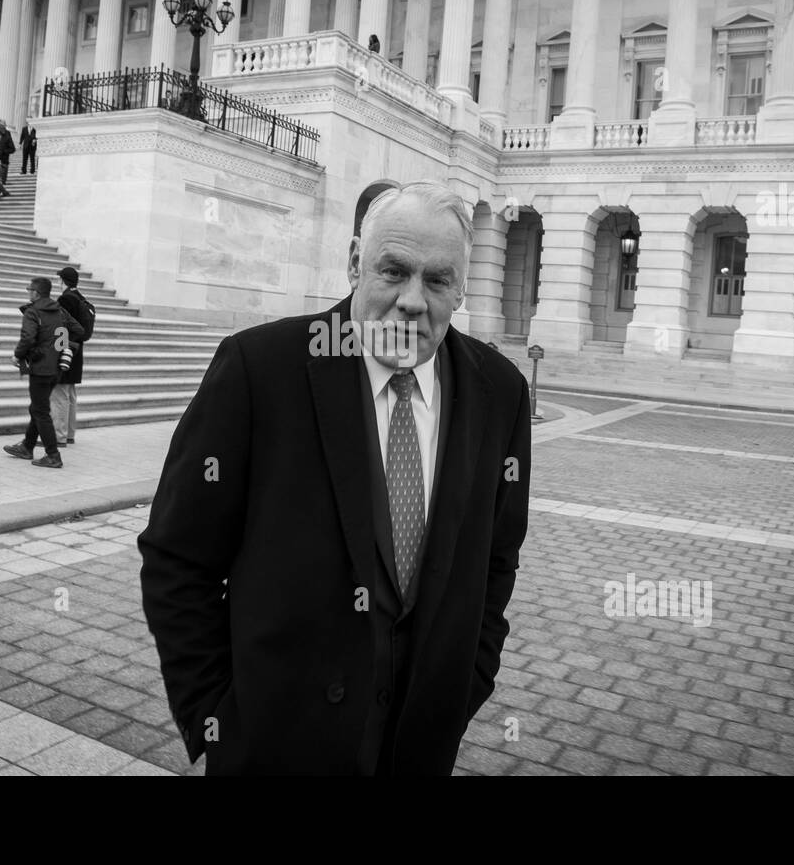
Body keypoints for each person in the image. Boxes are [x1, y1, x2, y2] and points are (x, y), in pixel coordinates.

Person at [138, 182, 532, 775]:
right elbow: (177, 558)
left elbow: (498, 557)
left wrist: (465, 682)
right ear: (354, 263)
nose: (412, 301)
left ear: (461, 287)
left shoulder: (500, 392)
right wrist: (214, 722)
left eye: (438, 280)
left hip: (418, 750)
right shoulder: (260, 370)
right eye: (393, 271)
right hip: (272, 750)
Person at [3, 277, 84, 469]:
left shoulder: (33, 311)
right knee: (37, 408)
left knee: (40, 411)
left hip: (40, 369)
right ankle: (27, 446)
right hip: (56, 369)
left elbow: (28, 338)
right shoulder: (59, 311)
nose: (28, 292)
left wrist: (17, 356)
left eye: (29, 289)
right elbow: (78, 330)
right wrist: (57, 347)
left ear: (36, 293)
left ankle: (53, 455)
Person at [54, 266, 94, 447]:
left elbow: (61, 327)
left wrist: (57, 351)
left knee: (60, 394)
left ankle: (58, 436)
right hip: (77, 353)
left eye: (58, 279)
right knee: (70, 394)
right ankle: (69, 434)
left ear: (63, 281)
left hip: (65, 350)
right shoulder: (81, 299)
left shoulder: (66, 299)